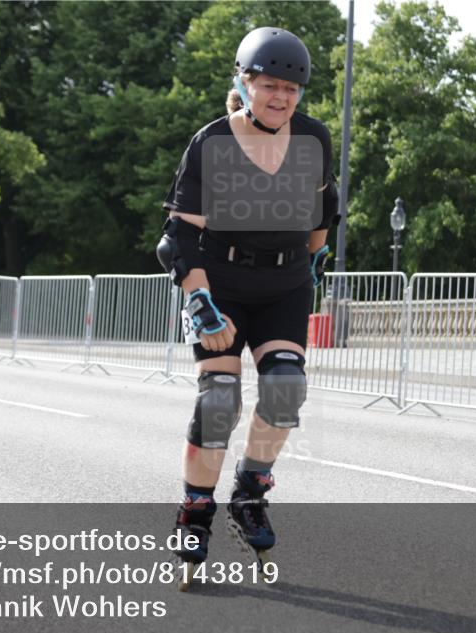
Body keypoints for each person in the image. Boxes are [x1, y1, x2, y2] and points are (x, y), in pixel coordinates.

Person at [156, 27, 339, 588]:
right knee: (219, 401)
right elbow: (178, 237)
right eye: (269, 86)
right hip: (223, 284)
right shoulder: (212, 143)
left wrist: (314, 265)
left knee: (286, 390)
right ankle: (194, 511)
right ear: (245, 82)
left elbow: (321, 218)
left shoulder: (313, 140)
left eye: (291, 88)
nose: (281, 97)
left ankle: (250, 493)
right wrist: (202, 303)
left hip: (284, 285)